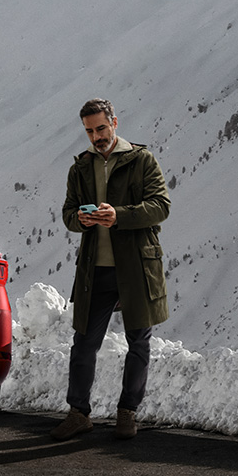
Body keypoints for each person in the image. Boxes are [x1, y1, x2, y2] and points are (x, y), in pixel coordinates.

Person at [51, 98, 170, 441]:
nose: (96, 136)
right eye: (89, 131)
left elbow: (160, 206)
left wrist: (120, 215)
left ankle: (127, 412)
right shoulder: (81, 167)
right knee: (84, 344)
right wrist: (82, 219)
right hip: (96, 270)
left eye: (101, 128)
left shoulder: (142, 160)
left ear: (114, 122)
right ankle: (78, 413)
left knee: (139, 343)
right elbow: (68, 214)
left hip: (136, 268)